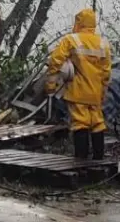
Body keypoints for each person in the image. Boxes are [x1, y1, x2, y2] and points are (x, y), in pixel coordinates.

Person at [45, 8, 112, 160]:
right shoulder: (103, 44)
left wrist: (50, 85)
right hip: (95, 93)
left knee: (80, 124)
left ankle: (81, 160)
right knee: (97, 124)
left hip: (78, 91)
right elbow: (106, 72)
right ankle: (98, 160)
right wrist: (102, 93)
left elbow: (55, 61)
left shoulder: (71, 40)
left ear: (79, 22)